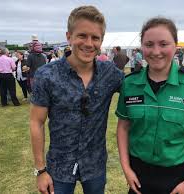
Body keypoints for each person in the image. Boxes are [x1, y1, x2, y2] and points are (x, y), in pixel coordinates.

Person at [116, 17, 184, 194]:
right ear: (141, 47)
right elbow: (123, 128)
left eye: (163, 44)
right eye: (149, 44)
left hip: (180, 179)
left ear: (175, 47)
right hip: (139, 179)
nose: (156, 51)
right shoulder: (130, 84)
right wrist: (126, 168)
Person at [30, 5, 124, 194]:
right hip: (59, 166)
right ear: (69, 37)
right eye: (82, 35)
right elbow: (36, 122)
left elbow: (141, 83)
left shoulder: (110, 74)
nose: (89, 43)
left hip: (95, 165)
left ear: (101, 41)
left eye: (95, 37)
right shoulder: (47, 75)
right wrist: (40, 170)